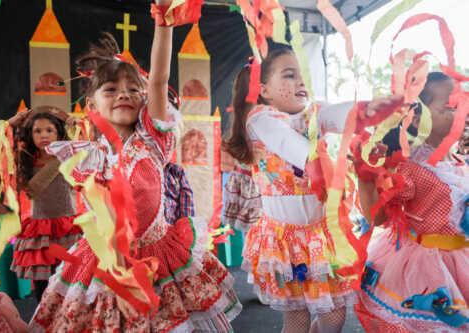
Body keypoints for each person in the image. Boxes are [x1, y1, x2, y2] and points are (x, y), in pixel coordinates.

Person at [29, 4, 241, 331]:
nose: (123, 94)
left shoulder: (151, 141)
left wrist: (164, 24)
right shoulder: (85, 154)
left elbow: (158, 80)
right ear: (92, 105)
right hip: (102, 266)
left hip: (157, 260)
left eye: (132, 88)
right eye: (111, 89)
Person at [224, 47, 398, 333]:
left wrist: (378, 110)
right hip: (285, 242)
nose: (300, 82)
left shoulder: (313, 114)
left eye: (302, 75)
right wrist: (332, 156)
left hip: (321, 236)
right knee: (298, 319)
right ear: (263, 89)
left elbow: (345, 114)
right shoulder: (260, 120)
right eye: (290, 75)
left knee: (334, 318)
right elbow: (291, 146)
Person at [354, 72, 469, 332]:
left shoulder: (461, 162)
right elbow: (378, 218)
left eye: (461, 104)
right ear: (418, 116)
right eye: (449, 107)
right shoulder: (411, 168)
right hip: (427, 270)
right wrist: (364, 179)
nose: (460, 111)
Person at [0, 110, 83, 302]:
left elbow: (93, 143)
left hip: (68, 230)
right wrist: (10, 123)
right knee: (43, 288)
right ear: (30, 136)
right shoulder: (25, 159)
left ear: (59, 133)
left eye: (50, 130)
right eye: (37, 131)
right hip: (40, 232)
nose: (44, 135)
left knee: (72, 286)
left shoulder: (68, 155)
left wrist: (73, 121)